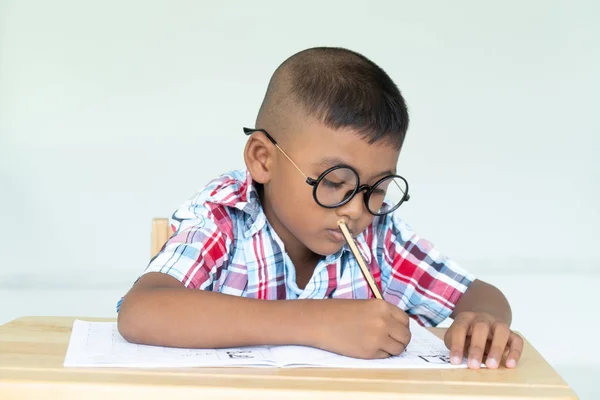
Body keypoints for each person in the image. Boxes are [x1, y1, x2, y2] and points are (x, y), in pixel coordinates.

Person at [117, 47, 523, 370]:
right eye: (333, 183)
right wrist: (318, 321)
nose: (356, 211)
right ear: (263, 159)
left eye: (378, 189)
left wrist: (482, 321)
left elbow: (479, 295)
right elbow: (142, 312)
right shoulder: (224, 217)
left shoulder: (379, 239)